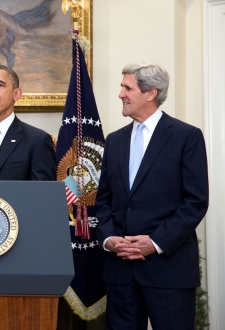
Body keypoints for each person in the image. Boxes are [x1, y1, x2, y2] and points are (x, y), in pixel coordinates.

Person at [96, 62, 209, 330]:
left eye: (127, 88)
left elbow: (195, 202)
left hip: (168, 270)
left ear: (150, 93)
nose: (120, 94)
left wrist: (156, 242)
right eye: (121, 87)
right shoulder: (114, 140)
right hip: (120, 273)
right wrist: (110, 240)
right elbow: (103, 201)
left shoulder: (186, 136)